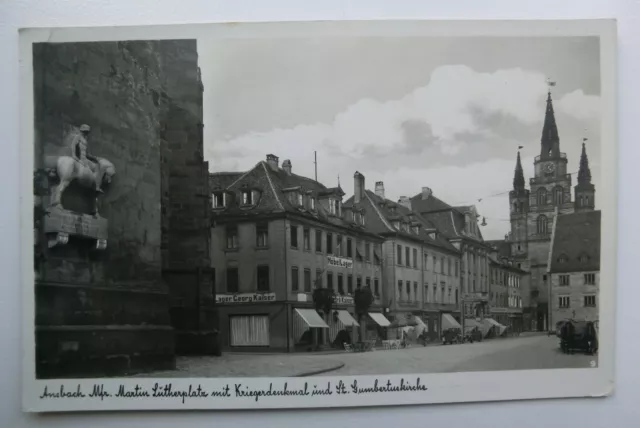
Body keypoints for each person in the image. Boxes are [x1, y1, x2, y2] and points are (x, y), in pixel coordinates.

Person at [70, 124, 104, 193]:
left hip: (84, 158)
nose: (86, 133)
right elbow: (73, 146)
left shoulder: (85, 140)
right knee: (97, 167)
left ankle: (96, 185)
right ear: (83, 131)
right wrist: (74, 155)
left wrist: (94, 158)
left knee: (97, 165)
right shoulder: (78, 137)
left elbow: (87, 154)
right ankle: (96, 187)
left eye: (87, 132)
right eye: (86, 131)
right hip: (80, 159)